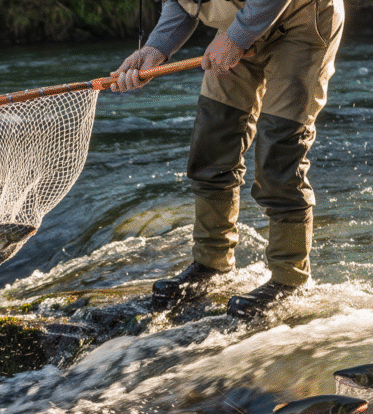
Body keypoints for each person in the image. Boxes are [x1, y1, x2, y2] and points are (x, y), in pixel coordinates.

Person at [113, 0, 345, 318]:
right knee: (213, 140)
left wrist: (237, 36)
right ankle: (212, 265)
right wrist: (156, 48)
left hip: (303, 23)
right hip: (241, 19)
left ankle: (290, 281)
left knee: (280, 152)